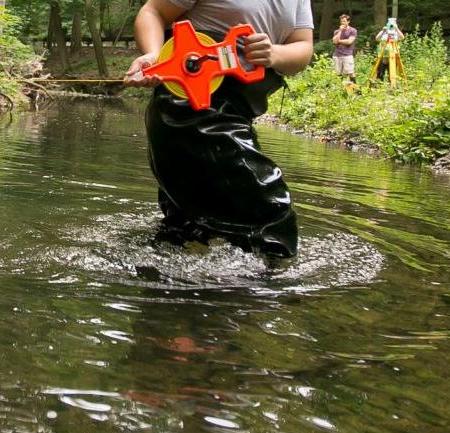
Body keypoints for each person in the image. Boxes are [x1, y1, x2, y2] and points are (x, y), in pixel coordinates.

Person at [122, 0, 313, 258]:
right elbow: (152, 11)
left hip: (238, 113)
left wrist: (274, 54)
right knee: (269, 215)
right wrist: (154, 55)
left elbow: (303, 47)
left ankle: (167, 290)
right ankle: (272, 293)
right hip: (187, 112)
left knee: (188, 227)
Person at [370, 17, 405, 87]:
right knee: (380, 73)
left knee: (392, 73)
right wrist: (383, 30)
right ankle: (378, 86)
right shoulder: (384, 32)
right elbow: (377, 38)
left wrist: (397, 29)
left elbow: (402, 37)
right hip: (383, 55)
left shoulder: (396, 33)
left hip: (392, 56)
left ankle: (392, 86)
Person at [331, 14, 358, 83]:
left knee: (350, 72)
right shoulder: (337, 31)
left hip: (347, 55)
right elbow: (334, 41)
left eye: (344, 21)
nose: (342, 23)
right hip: (337, 55)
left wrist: (338, 41)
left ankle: (356, 90)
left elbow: (349, 41)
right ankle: (340, 90)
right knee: (338, 74)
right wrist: (340, 31)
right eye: (341, 21)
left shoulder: (353, 30)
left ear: (348, 22)